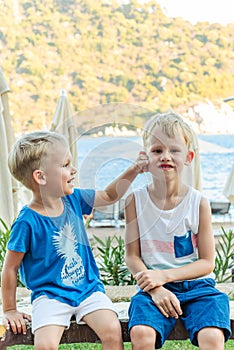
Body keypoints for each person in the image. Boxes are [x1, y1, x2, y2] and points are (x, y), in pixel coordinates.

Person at [1, 130, 148, 350]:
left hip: (89, 291)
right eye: (66, 165)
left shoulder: (74, 199)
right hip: (49, 297)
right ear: (41, 177)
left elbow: (109, 196)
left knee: (112, 330)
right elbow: (10, 268)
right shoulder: (26, 222)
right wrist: (10, 310)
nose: (74, 170)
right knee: (45, 345)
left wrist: (135, 168)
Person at [124, 112, 231, 349]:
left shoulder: (198, 202)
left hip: (199, 287)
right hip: (153, 289)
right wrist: (157, 287)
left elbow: (207, 263)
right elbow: (132, 256)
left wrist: (165, 275)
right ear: (145, 157)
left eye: (174, 150)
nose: (166, 156)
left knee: (212, 336)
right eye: (157, 150)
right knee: (141, 333)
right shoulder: (134, 201)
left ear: (189, 157)